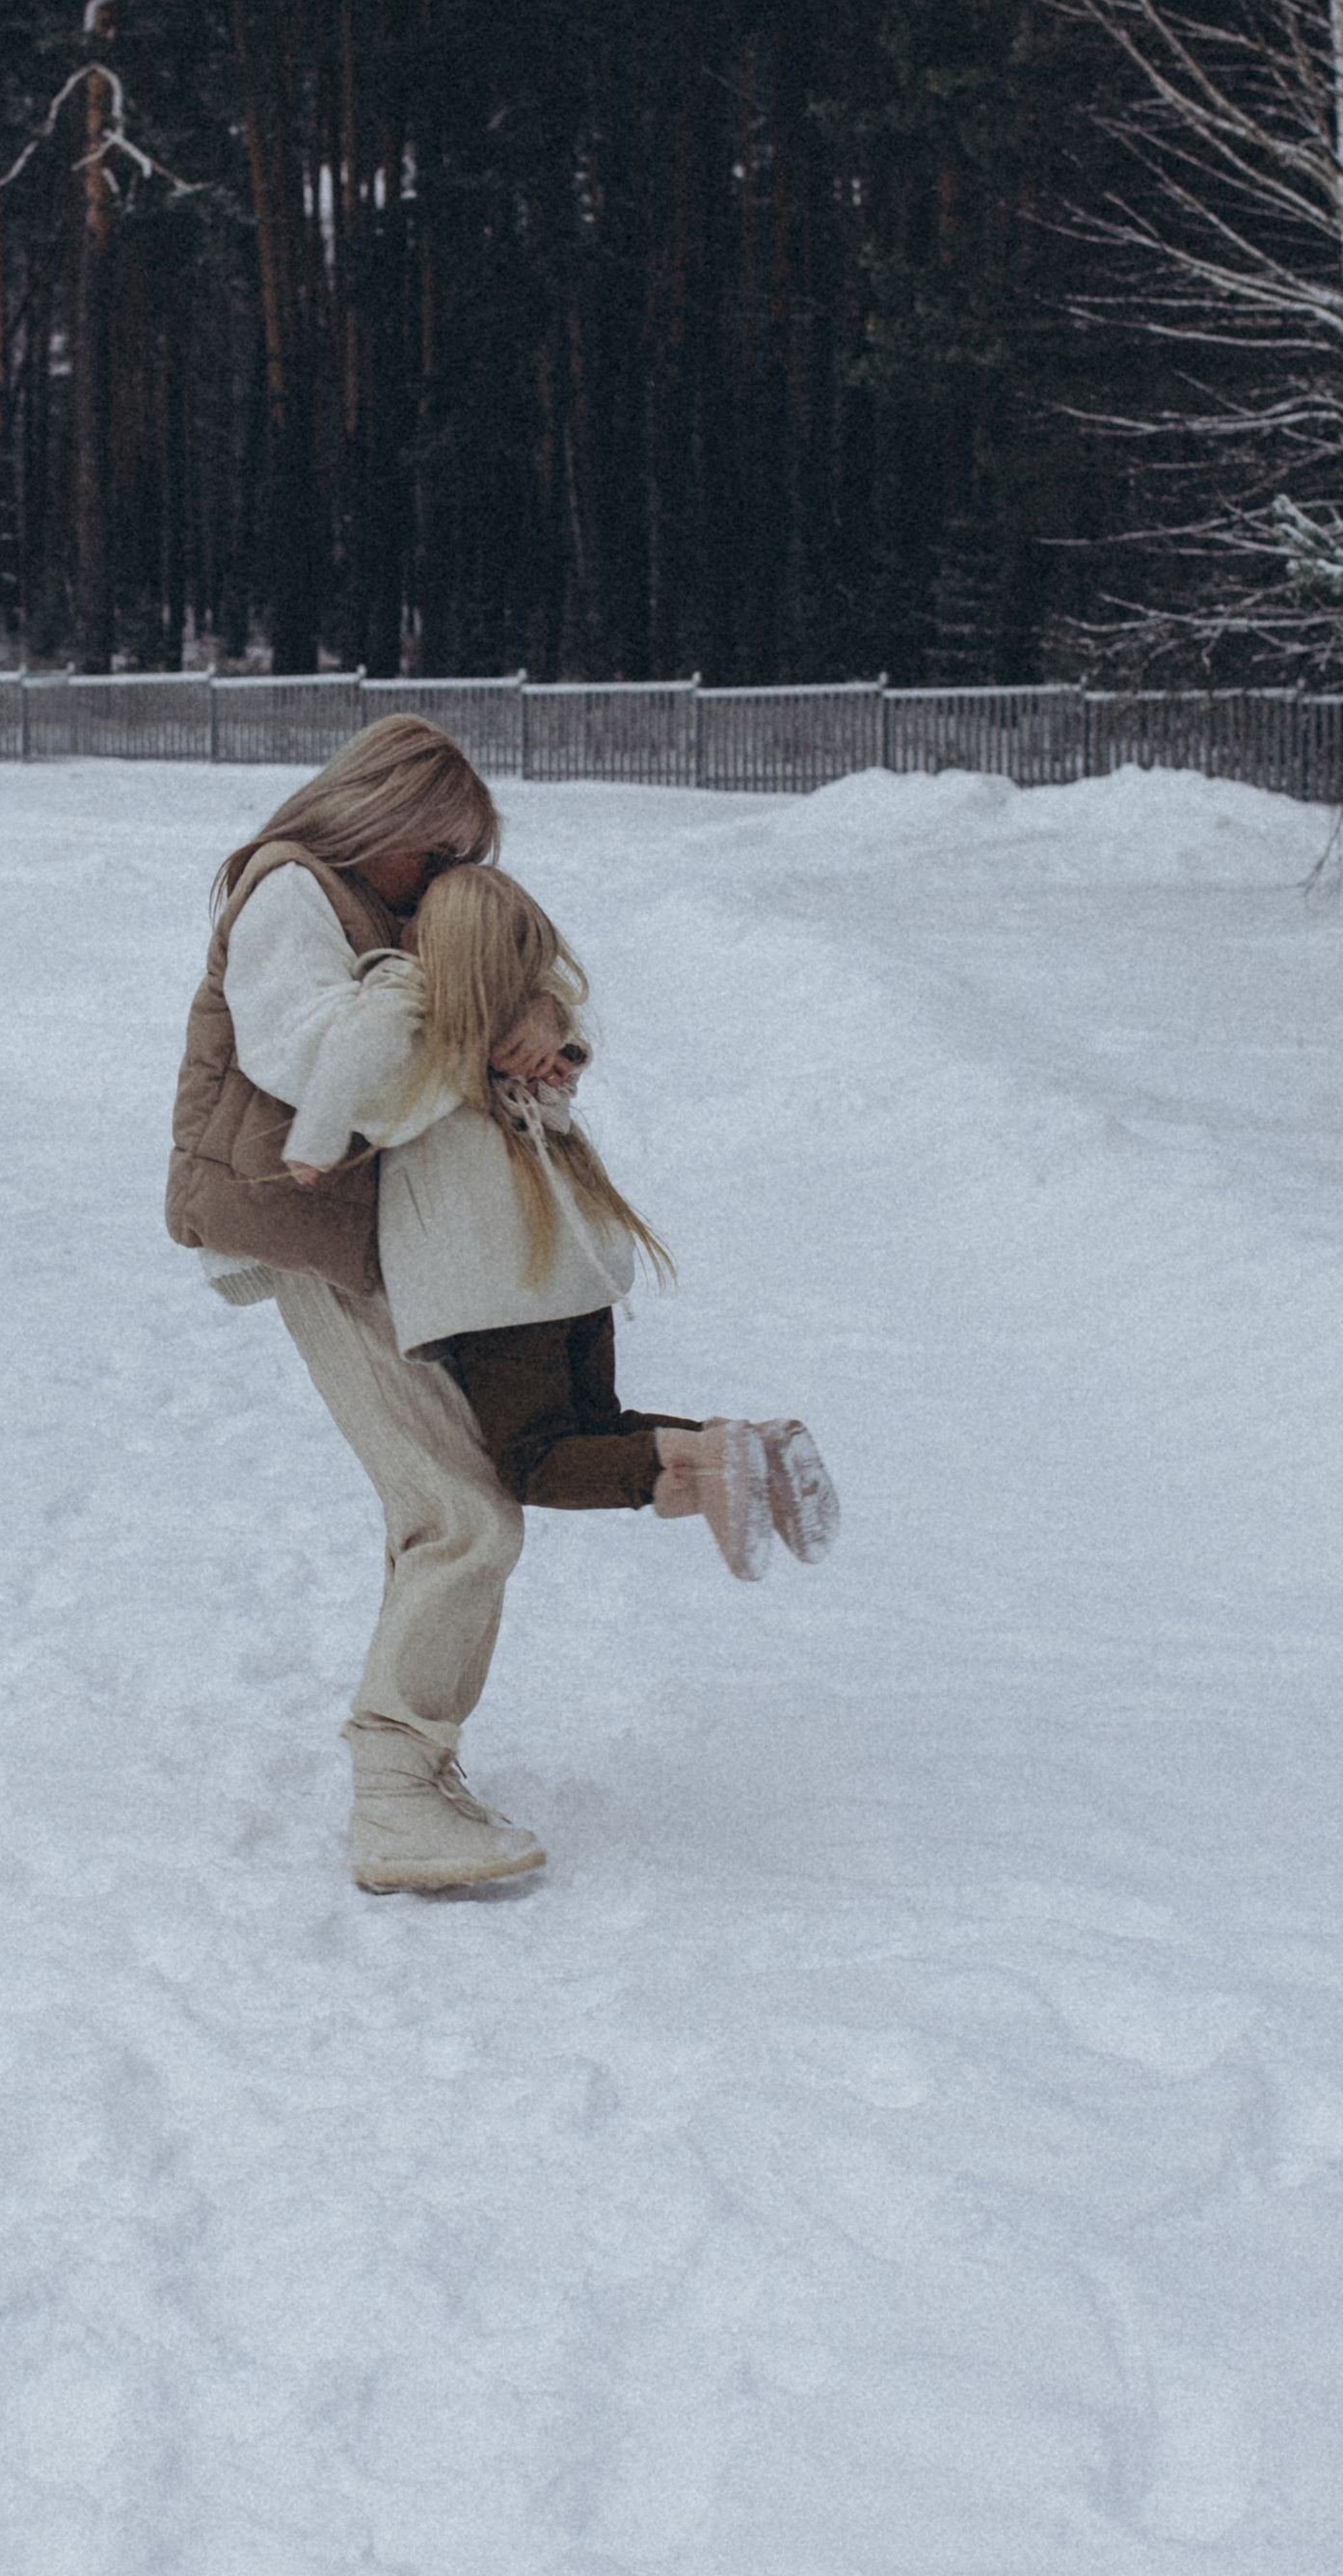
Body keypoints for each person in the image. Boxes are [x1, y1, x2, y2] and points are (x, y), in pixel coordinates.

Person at [166, 716, 556, 1895]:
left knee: (450, 1501)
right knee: (463, 1512)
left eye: (465, 862)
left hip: (372, 1238)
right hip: (314, 1238)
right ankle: (395, 1795)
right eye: (435, 854)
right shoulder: (292, 892)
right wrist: (447, 1000)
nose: (443, 882)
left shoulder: (370, 908)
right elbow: (311, 1058)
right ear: (379, 812)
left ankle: (415, 1769)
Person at [276, 861, 839, 1601]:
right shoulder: (532, 1030)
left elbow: (355, 1047)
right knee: (597, 1427)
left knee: (532, 1460)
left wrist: (314, 1144)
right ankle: (757, 1449)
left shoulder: (410, 993)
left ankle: (710, 1457)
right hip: (578, 1272)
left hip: (500, 1290)